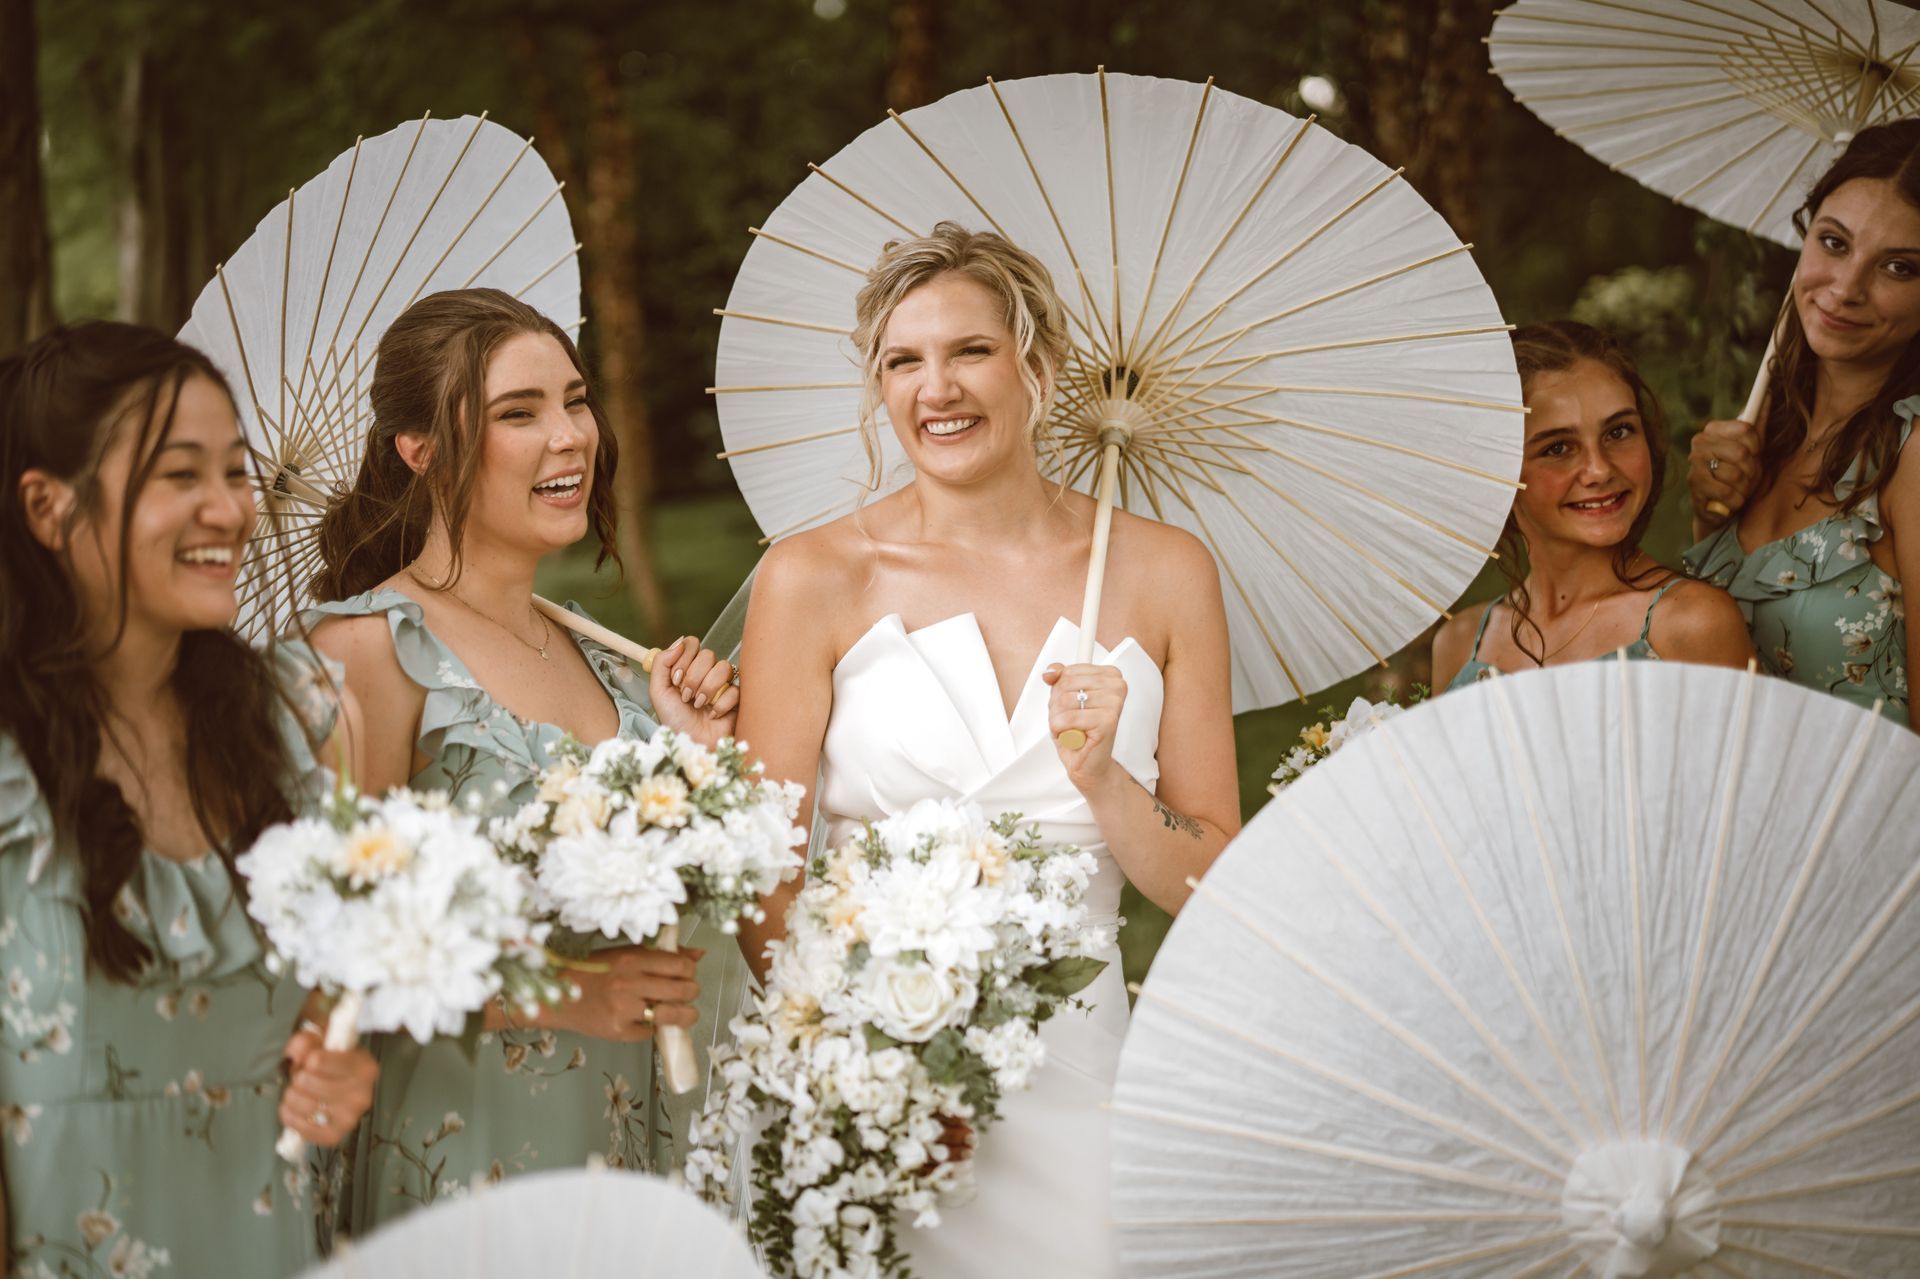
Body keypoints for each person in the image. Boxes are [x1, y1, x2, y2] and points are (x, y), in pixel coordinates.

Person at [734, 224, 1240, 1278]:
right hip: (870, 1081)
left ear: (1040, 369)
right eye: (902, 361)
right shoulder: (813, 576)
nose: (936, 388)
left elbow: (1210, 879)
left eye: (969, 350)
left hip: (1079, 1076)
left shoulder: (1164, 572)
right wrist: (858, 1069)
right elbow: (763, 875)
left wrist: (1105, 777)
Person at [300, 288, 739, 1228]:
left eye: (575, 400)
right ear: (416, 450)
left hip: (627, 1141)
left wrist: (692, 758)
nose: (570, 435)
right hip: (470, 1145)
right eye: (518, 412)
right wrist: (565, 992)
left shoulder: (596, 654)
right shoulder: (367, 652)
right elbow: (322, 954)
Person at [0, 322, 377, 1277]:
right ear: (48, 507)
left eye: (238, 472)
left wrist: (338, 1067)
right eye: (179, 476)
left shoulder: (298, 720)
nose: (230, 509)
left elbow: (328, 1008)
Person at [1686, 120, 1920, 729]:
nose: (1845, 289)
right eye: (1835, 243)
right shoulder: (1765, 434)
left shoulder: (1913, 457)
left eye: (1899, 268)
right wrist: (1706, 511)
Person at [1432, 321, 1754, 689]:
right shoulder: (1459, 644)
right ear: (1498, 470)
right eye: (1557, 448)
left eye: (1618, 432)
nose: (1599, 470)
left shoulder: (1693, 624)